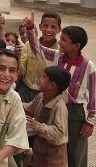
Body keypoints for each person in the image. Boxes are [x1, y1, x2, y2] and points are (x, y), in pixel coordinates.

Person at [23, 11, 95, 167]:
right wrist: (30, 27)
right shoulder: (56, 57)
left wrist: (90, 123)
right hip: (53, 108)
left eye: (63, 40)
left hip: (75, 113)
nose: (59, 42)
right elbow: (37, 48)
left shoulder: (88, 66)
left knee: (75, 153)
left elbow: (94, 96)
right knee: (53, 149)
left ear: (76, 46)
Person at [23, 66, 71, 167]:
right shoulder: (40, 97)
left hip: (55, 150)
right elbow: (28, 109)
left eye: (44, 77)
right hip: (40, 146)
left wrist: (38, 127)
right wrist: (15, 103)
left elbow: (59, 132)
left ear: (52, 85)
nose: (40, 79)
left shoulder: (59, 107)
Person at [17, 12, 62, 103]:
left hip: (47, 94)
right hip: (26, 90)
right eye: (45, 26)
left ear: (59, 30)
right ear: (40, 27)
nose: (49, 30)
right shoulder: (29, 45)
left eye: (53, 27)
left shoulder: (60, 52)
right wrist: (17, 57)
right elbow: (21, 72)